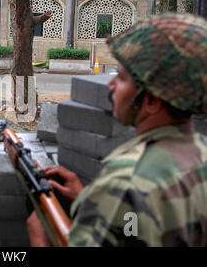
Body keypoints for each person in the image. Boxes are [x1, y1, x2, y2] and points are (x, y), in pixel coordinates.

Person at [27, 13, 207, 247]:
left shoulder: (126, 179)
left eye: (121, 78)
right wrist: (91, 199)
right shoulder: (200, 154)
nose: (110, 85)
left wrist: (39, 236)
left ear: (152, 101)